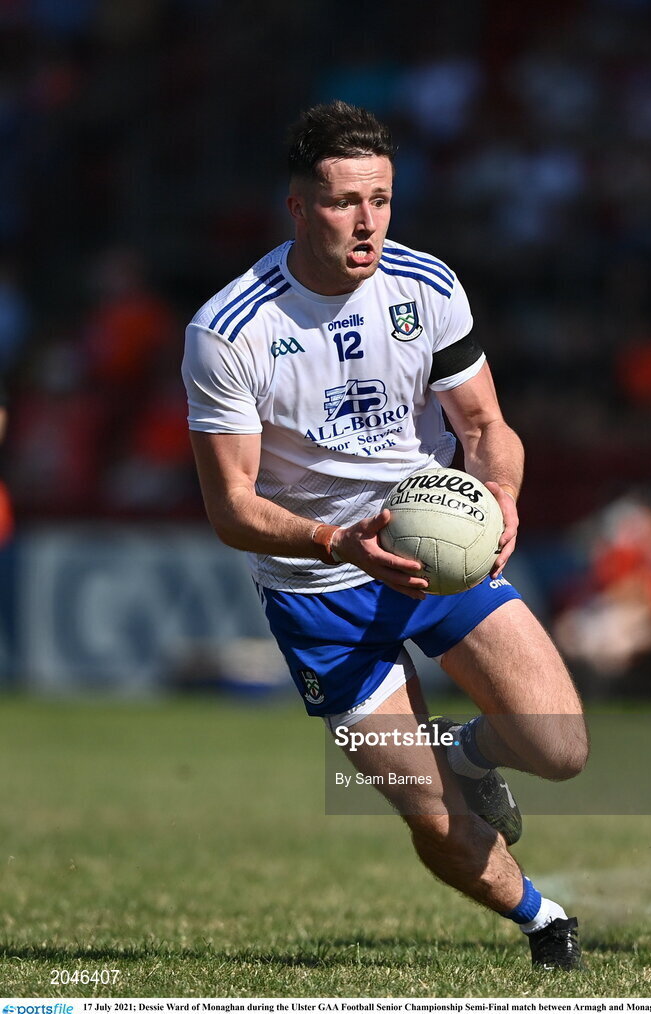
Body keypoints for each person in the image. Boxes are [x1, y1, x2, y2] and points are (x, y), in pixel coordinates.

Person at [182, 101, 588, 971]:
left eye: (381, 199)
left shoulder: (426, 286)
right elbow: (231, 507)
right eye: (342, 202)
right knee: (432, 814)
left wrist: (504, 493)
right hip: (318, 588)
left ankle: (465, 750)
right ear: (297, 207)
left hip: (434, 543)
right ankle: (543, 919)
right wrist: (338, 543)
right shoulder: (229, 332)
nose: (367, 222)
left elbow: (483, 427)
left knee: (560, 748)